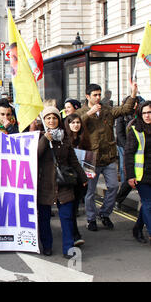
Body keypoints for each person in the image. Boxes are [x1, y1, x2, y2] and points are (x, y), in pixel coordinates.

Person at [75, 82, 138, 231]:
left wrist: (133, 93)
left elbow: (125, 109)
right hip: (91, 158)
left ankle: (105, 213)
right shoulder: (81, 112)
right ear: (87, 96)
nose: (98, 98)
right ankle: (91, 219)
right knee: (90, 192)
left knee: (113, 187)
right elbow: (74, 124)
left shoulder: (107, 110)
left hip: (108, 156)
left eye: (99, 95)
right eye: (95, 95)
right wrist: (89, 113)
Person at [37, 107, 88, 258]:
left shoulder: (65, 137)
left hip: (64, 183)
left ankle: (68, 248)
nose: (51, 121)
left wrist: (83, 177)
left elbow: (73, 160)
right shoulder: (40, 137)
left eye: (54, 118)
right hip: (45, 184)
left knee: (66, 217)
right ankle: (47, 245)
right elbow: (35, 155)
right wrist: (45, 139)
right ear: (44, 121)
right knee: (44, 218)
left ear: (59, 120)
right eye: (48, 118)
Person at [125, 100, 151, 244]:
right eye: (144, 113)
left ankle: (137, 228)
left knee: (148, 205)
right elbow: (128, 154)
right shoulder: (135, 129)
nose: (147, 116)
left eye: (149, 112)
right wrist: (130, 175)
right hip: (142, 174)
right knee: (148, 204)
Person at [64, 113, 92, 247]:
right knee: (70, 209)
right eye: (72, 122)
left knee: (74, 208)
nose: (76, 125)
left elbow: (90, 160)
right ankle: (74, 235)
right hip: (68, 179)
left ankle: (74, 233)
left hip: (81, 179)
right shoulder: (64, 140)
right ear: (67, 125)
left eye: (78, 122)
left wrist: (87, 175)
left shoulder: (85, 139)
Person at [115, 95, 144, 209]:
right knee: (128, 175)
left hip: (141, 149)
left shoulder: (140, 115)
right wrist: (128, 147)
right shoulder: (122, 116)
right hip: (126, 147)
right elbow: (120, 134)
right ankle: (119, 199)